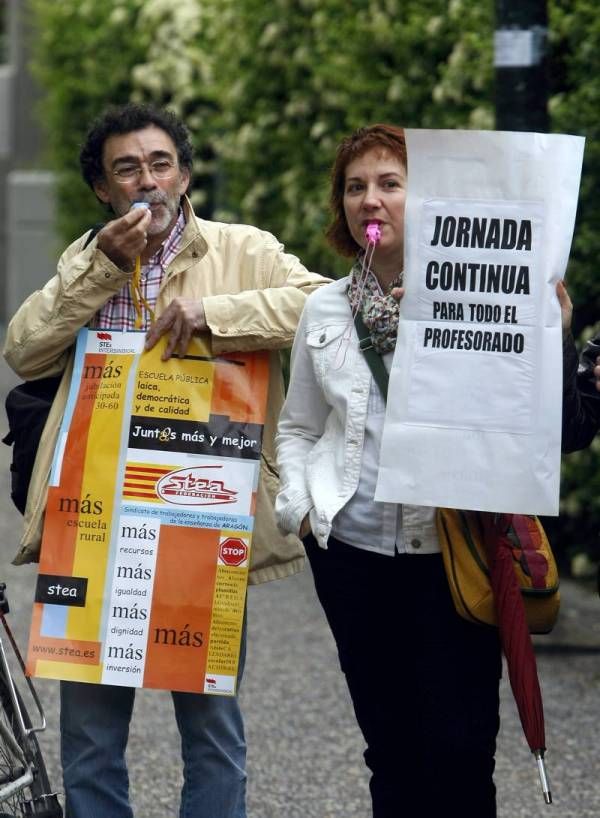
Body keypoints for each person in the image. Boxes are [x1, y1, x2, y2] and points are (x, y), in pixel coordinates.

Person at [3, 102, 329, 818]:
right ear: (104, 189)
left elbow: (320, 308)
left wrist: (218, 316)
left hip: (202, 512)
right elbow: (23, 348)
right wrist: (98, 269)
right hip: (90, 518)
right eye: (126, 168)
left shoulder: (243, 250)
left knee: (210, 726)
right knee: (90, 732)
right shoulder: (87, 258)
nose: (145, 180)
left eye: (159, 163)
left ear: (183, 176)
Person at [275, 123, 572, 818]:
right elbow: (298, 425)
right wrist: (300, 504)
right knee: (391, 749)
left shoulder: (482, 300)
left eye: (390, 184)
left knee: (464, 747)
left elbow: (524, 419)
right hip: (353, 553)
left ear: (429, 200)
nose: (369, 201)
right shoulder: (323, 306)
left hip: (452, 551)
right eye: (355, 187)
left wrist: (545, 334)